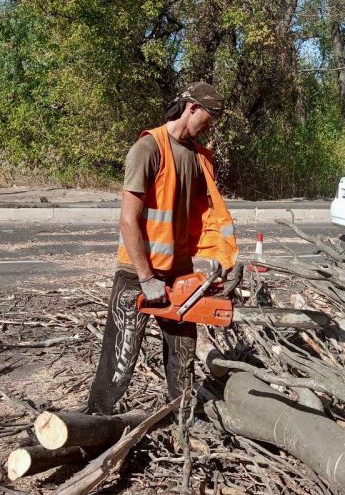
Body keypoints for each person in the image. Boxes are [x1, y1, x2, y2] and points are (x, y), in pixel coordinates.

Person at [87, 82, 238, 415]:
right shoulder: (148, 148)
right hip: (138, 272)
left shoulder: (199, 157)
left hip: (180, 273)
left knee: (183, 356)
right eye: (209, 118)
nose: (209, 127)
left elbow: (206, 216)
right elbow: (128, 220)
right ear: (192, 108)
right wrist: (146, 277)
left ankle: (182, 419)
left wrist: (219, 260)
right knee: (120, 357)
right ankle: (96, 421)